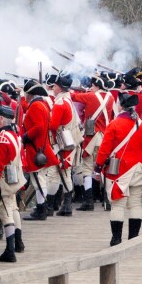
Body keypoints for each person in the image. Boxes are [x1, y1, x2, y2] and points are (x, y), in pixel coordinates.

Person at [95, 92, 142, 246]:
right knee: (135, 204)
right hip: (141, 168)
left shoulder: (114, 124)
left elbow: (104, 150)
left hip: (122, 168)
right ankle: (133, 240)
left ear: (120, 106)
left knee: (118, 205)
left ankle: (116, 239)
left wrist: (98, 167)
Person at [71, 75, 116, 211]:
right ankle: (107, 199)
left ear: (96, 86)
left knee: (87, 169)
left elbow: (73, 97)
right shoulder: (111, 97)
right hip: (106, 137)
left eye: (92, 85)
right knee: (105, 169)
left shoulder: (90, 96)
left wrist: (81, 91)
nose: (90, 87)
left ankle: (88, 201)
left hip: (92, 139)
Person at [0, 104, 26, 262]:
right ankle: (12, 247)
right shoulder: (15, 136)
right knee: (9, 212)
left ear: (2, 118)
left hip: (3, 182)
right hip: (13, 180)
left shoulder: (2, 138)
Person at [21, 79, 60, 220]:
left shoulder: (36, 106)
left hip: (35, 147)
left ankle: (41, 208)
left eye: (26, 93)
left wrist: (25, 136)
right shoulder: (41, 104)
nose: (24, 96)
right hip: (40, 146)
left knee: (38, 181)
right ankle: (41, 207)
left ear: (30, 94)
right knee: (40, 179)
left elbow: (38, 127)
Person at [45, 72, 82, 216]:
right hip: (69, 140)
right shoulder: (67, 100)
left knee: (53, 175)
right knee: (65, 173)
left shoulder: (60, 103)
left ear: (59, 87)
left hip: (62, 142)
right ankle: (66, 206)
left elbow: (53, 126)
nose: (53, 88)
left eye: (54, 86)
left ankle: (49, 206)